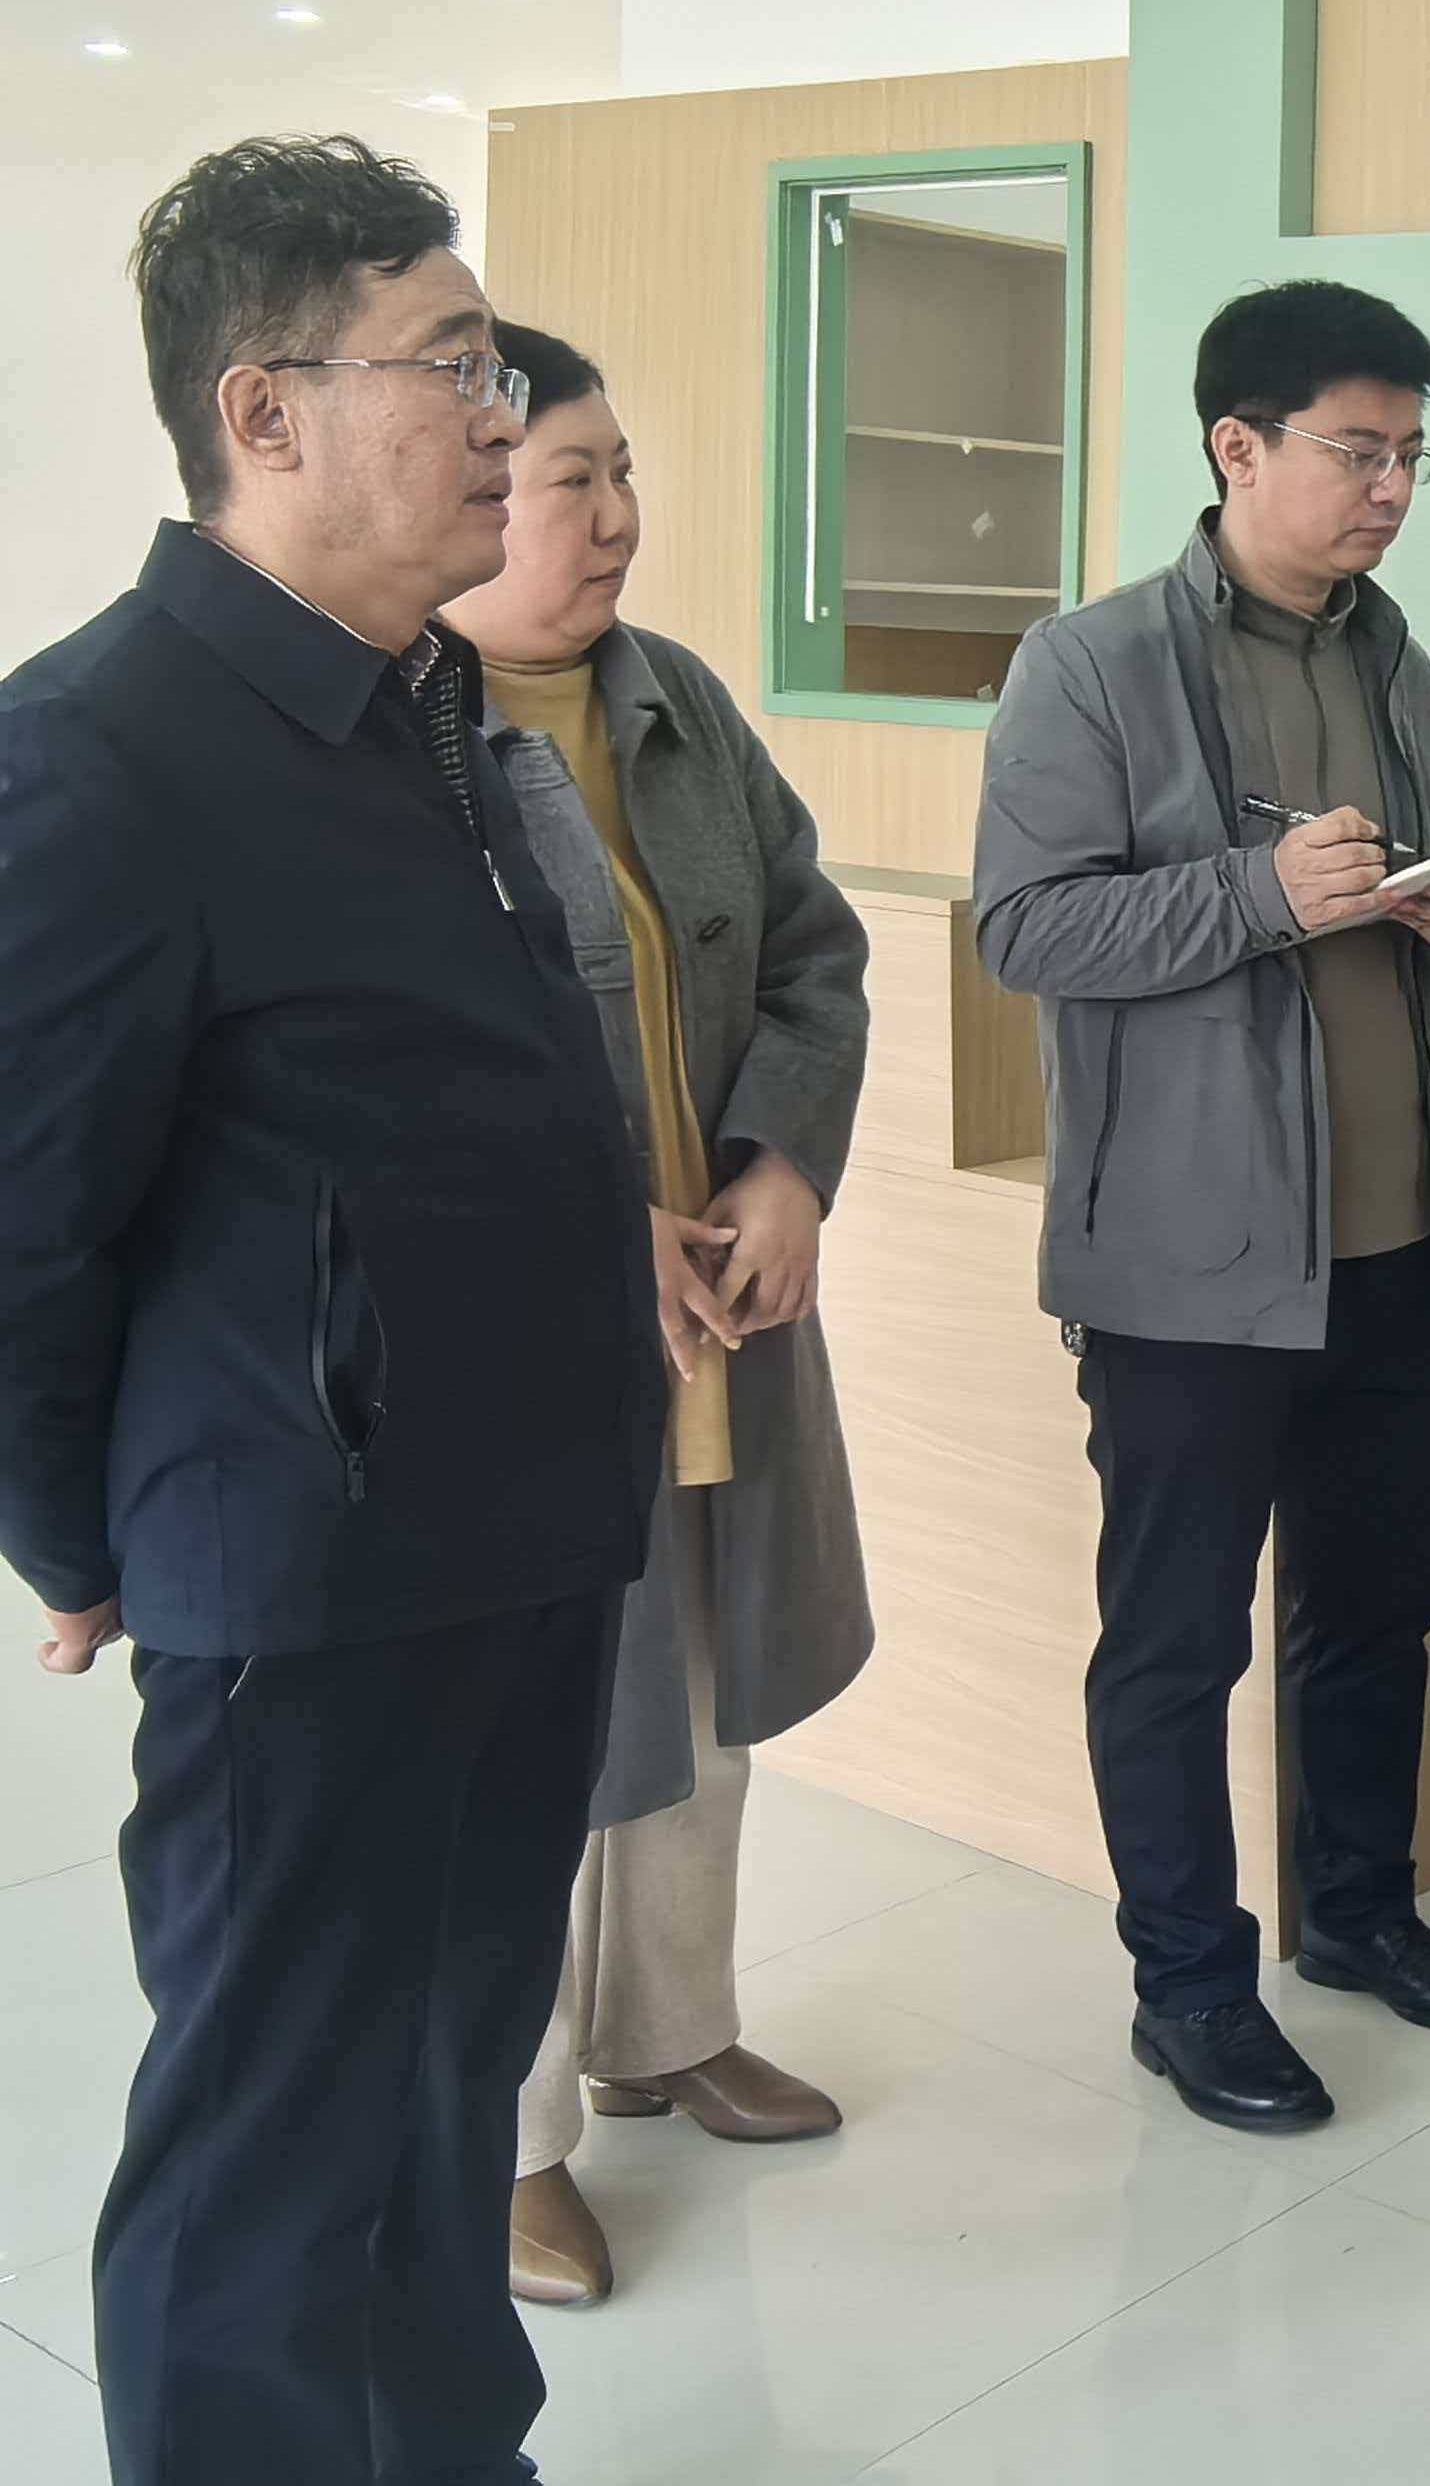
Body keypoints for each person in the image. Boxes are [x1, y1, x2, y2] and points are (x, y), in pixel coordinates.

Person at [0, 141, 661, 2485]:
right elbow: (22, 1226)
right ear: (264, 412)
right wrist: (86, 1539)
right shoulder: (97, 751)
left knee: (444, 2094)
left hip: (518, 1535)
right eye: (449, 367)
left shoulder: (421, 711)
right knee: (271, 2152)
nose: (499, 417)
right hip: (307, 1575)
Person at [974, 279, 1430, 2138]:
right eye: (1359, 452)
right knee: (1176, 1644)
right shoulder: (1089, 665)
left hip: (1398, 1237)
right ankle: (1191, 1988)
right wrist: (1260, 893)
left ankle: (1356, 1914)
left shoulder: (1393, 658)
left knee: (1374, 1613)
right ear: (1237, 447)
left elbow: (1398, 925)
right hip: (1191, 1266)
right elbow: (1027, 929)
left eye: (1412, 455)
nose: (1392, 490)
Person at [449, 323, 875, 2306]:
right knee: (532, 1742)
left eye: (624, 471)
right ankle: (507, 2135)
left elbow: (812, 951)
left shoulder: (677, 701)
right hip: (531, 1344)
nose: (616, 515)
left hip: (719, 1315)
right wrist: (573, 1219)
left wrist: (783, 1165)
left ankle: (665, 2032)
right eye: (572, 479)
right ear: (472, 489)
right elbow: (403, 1064)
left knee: (700, 1708)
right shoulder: (394, 731)